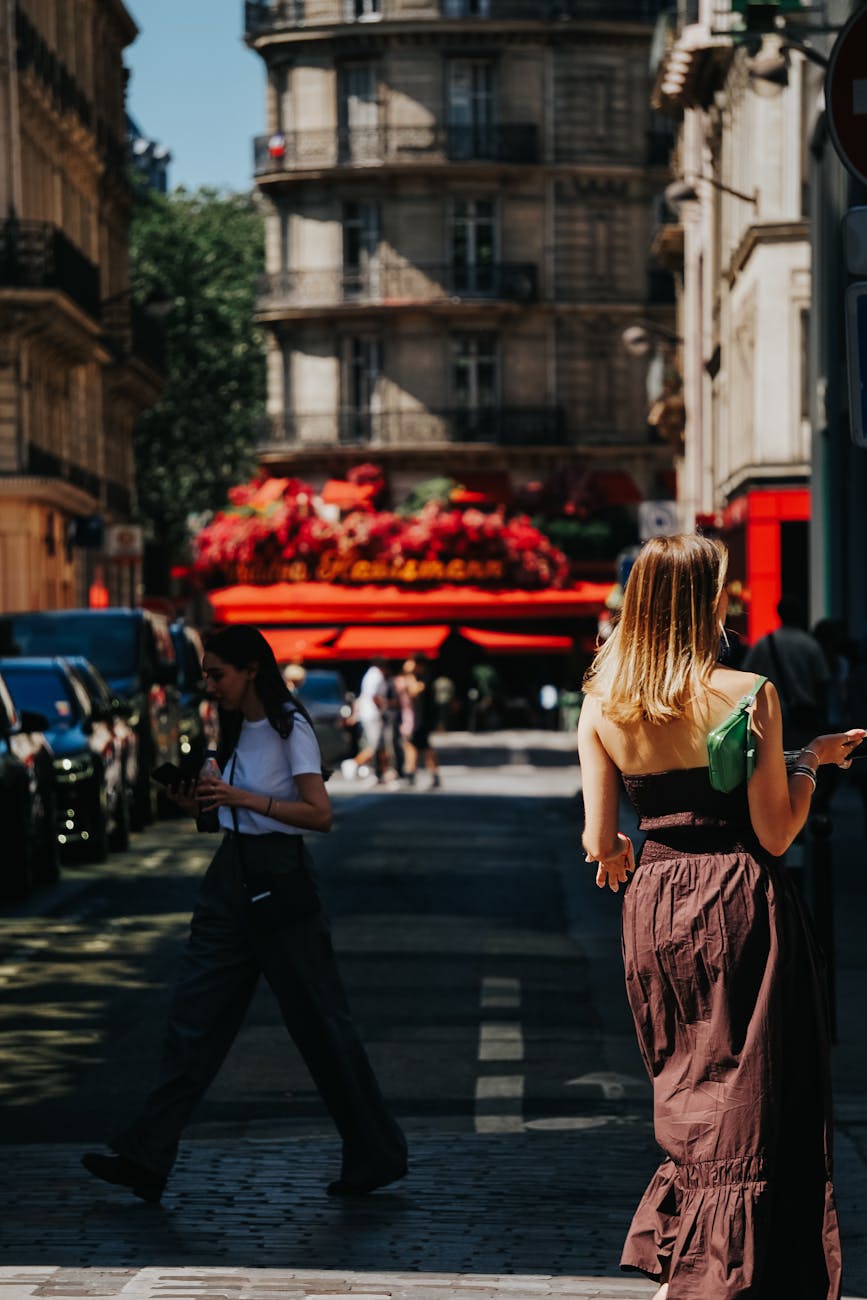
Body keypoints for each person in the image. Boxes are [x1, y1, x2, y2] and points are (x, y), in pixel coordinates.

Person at [577, 534, 863, 1300]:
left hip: (656, 898)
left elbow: (598, 839)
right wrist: (808, 762)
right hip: (738, 895)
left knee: (686, 1081)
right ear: (704, 602)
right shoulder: (746, 693)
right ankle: (725, 1275)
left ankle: (689, 1262)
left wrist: (618, 859)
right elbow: (775, 831)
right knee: (751, 1089)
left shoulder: (602, 694)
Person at [81, 624, 407, 1203]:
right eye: (205, 675)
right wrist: (202, 804)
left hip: (280, 883)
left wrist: (244, 800)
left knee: (321, 1027)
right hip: (229, 879)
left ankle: (375, 1154)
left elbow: (319, 814)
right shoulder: (228, 727)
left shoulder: (291, 727)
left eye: (217, 675)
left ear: (251, 669)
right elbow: (228, 813)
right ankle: (146, 1157)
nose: (209, 686)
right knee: (193, 1021)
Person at [742, 594, 830, 751]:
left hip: (769, 717)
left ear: (779, 613)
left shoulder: (764, 644)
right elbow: (822, 682)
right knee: (805, 761)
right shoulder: (810, 645)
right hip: (805, 716)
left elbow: (745, 675)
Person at [343, 657, 387, 780]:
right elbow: (373, 696)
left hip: (368, 714)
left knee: (375, 744)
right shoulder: (376, 675)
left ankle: (378, 772)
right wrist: (384, 706)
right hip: (373, 715)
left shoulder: (369, 675)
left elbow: (362, 696)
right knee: (374, 745)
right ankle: (353, 764)